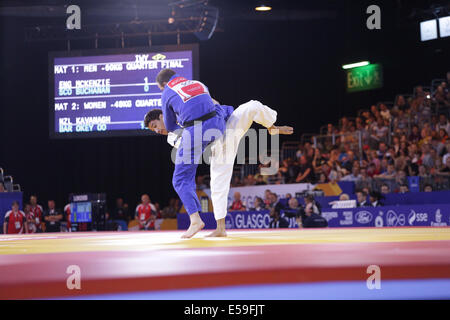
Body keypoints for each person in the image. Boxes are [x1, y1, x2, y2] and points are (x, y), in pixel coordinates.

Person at [145, 69, 293, 238]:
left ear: (163, 114)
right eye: (154, 130)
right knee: (217, 182)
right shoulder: (194, 91)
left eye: (156, 125)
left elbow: (211, 105)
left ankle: (272, 127)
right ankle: (220, 228)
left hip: (226, 128)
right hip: (217, 144)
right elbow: (212, 104)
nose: (157, 131)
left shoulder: (175, 107)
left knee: (251, 106)